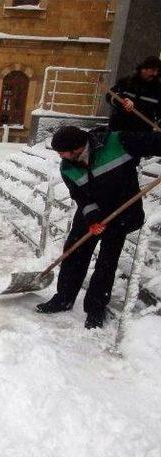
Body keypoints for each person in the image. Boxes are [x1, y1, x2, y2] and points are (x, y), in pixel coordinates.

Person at [36, 125, 161, 329]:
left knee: (106, 262)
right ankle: (64, 298)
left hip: (121, 211)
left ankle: (95, 309)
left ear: (77, 147)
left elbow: (154, 142)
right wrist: (93, 218)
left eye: (63, 152)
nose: (61, 156)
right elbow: (80, 196)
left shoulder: (117, 142)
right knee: (73, 253)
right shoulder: (67, 166)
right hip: (91, 213)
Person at [106, 56, 161, 132]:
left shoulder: (158, 89)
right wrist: (123, 101)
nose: (155, 74)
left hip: (143, 134)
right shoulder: (127, 82)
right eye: (152, 70)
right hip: (119, 130)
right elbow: (110, 95)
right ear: (143, 69)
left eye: (157, 71)